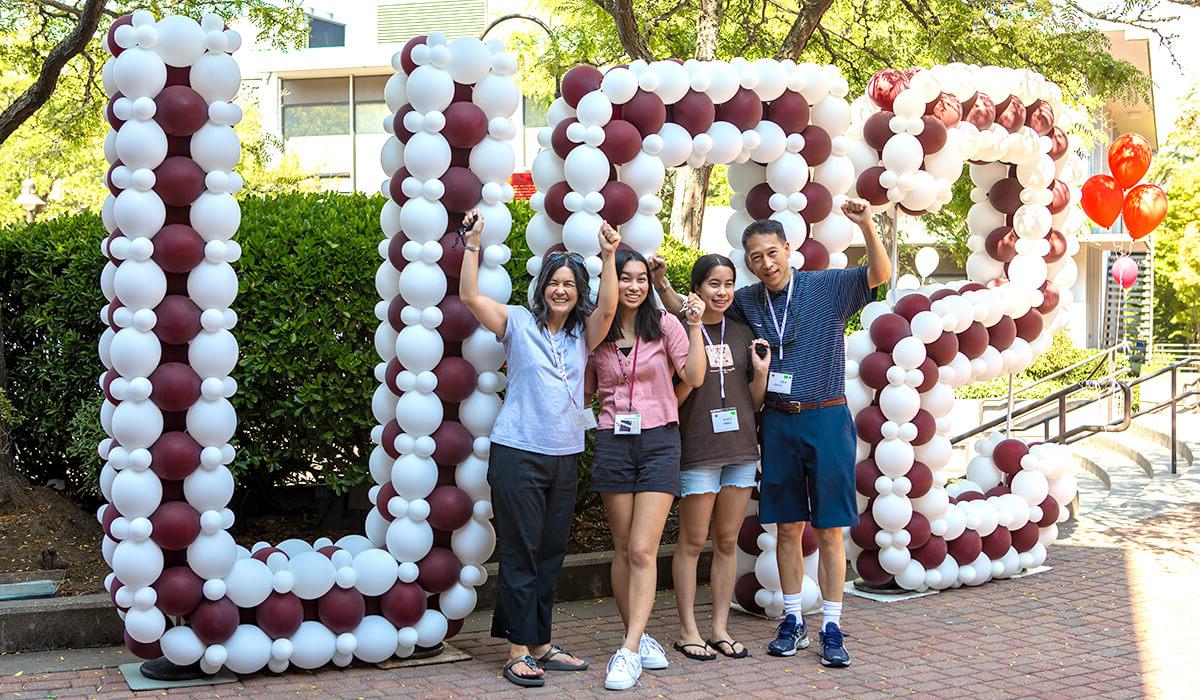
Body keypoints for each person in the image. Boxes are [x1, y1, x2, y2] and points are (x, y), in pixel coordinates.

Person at [653, 199, 890, 668]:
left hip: (826, 416)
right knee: (787, 527)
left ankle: (833, 626)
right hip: (778, 420)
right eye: (755, 257)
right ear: (749, 262)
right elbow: (693, 308)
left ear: (788, 248)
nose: (766, 263)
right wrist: (662, 284)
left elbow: (878, 274)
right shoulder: (745, 300)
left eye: (771, 252)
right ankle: (793, 620)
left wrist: (867, 225)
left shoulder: (827, 286)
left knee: (829, 531)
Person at [459, 209, 622, 688]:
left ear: (579, 292)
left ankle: (541, 643)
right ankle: (516, 650)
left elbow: (609, 310)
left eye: (571, 285)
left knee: (551, 550)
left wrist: (609, 255)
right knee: (522, 550)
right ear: (542, 286)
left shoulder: (581, 334)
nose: (562, 291)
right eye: (555, 282)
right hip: (518, 453)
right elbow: (469, 296)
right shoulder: (516, 323)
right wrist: (473, 244)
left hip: (565, 454)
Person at [587, 248, 706, 691]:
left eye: (641, 278)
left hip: (659, 441)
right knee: (622, 548)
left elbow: (693, 375)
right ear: (611, 282)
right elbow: (583, 390)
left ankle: (631, 650)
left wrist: (694, 326)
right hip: (613, 441)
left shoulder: (667, 325)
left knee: (642, 548)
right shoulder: (596, 330)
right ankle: (636, 635)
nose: (634, 285)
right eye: (624, 277)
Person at [668, 254, 771, 663]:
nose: (723, 292)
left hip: (741, 451)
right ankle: (687, 629)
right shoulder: (679, 331)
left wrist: (761, 374)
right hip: (700, 451)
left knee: (727, 541)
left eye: (728, 283)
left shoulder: (744, 332)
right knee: (692, 542)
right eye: (714, 283)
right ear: (696, 288)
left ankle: (720, 628)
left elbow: (754, 402)